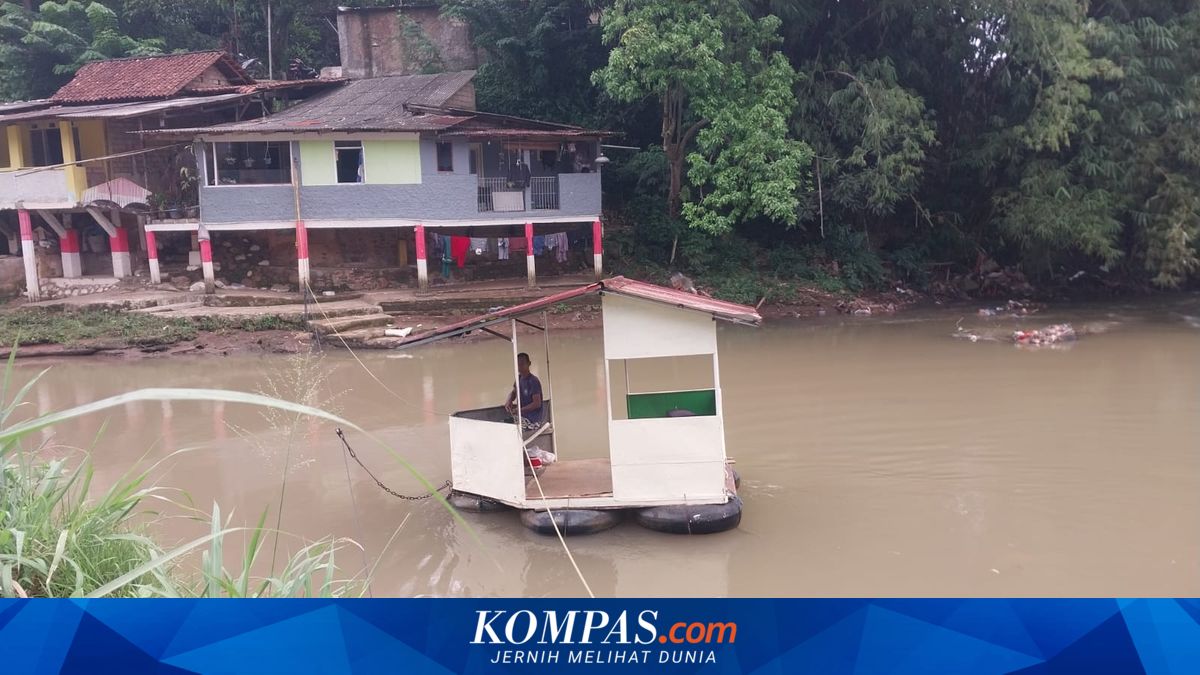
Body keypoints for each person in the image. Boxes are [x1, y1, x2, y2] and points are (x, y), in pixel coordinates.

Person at [504, 352, 544, 425]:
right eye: (518, 364)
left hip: (533, 420)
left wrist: (519, 410)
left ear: (529, 363)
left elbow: (537, 403)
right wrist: (509, 399)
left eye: (522, 363)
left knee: (507, 424)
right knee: (504, 421)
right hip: (522, 416)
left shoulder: (533, 381)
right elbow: (514, 392)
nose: (520, 366)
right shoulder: (519, 378)